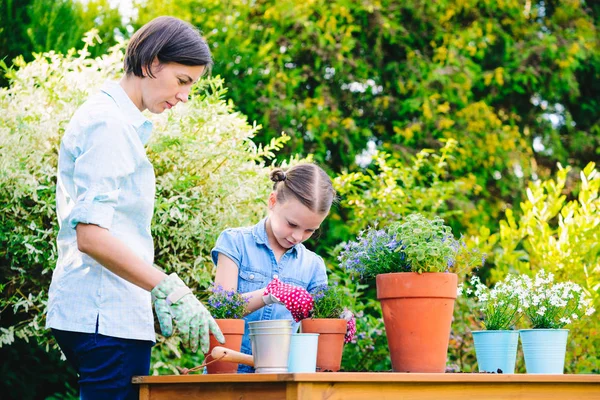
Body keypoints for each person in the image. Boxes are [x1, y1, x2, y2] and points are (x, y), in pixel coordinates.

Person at [45, 16, 224, 399]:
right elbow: (91, 236)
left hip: (106, 314)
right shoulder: (109, 125)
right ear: (151, 63)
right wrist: (169, 289)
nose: (183, 96)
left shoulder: (115, 121)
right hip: (104, 316)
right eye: (182, 81)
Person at [212, 163, 338, 373]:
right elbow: (221, 308)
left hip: (280, 378)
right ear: (272, 202)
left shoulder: (313, 266)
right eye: (291, 224)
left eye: (310, 230)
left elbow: (317, 325)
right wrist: (269, 294)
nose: (297, 236)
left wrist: (339, 318)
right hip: (229, 372)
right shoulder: (234, 242)